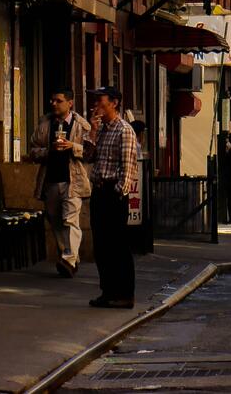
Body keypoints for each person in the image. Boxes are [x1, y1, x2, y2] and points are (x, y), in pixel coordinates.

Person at [85, 87, 140, 309]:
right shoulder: (103, 130)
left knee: (117, 245)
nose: (96, 105)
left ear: (114, 103)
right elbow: (88, 157)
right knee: (101, 245)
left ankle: (125, 293)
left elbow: (128, 168)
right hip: (98, 190)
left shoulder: (123, 130)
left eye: (101, 100)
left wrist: (118, 192)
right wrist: (92, 132)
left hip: (113, 194)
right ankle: (107, 291)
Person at [29, 88, 91, 278]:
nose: (53, 104)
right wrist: (49, 151)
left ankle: (69, 259)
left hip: (73, 180)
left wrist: (73, 147)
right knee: (55, 220)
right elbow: (32, 150)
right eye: (52, 100)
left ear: (70, 103)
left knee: (70, 219)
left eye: (58, 100)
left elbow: (90, 152)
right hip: (51, 181)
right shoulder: (45, 124)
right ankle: (70, 258)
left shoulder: (82, 125)